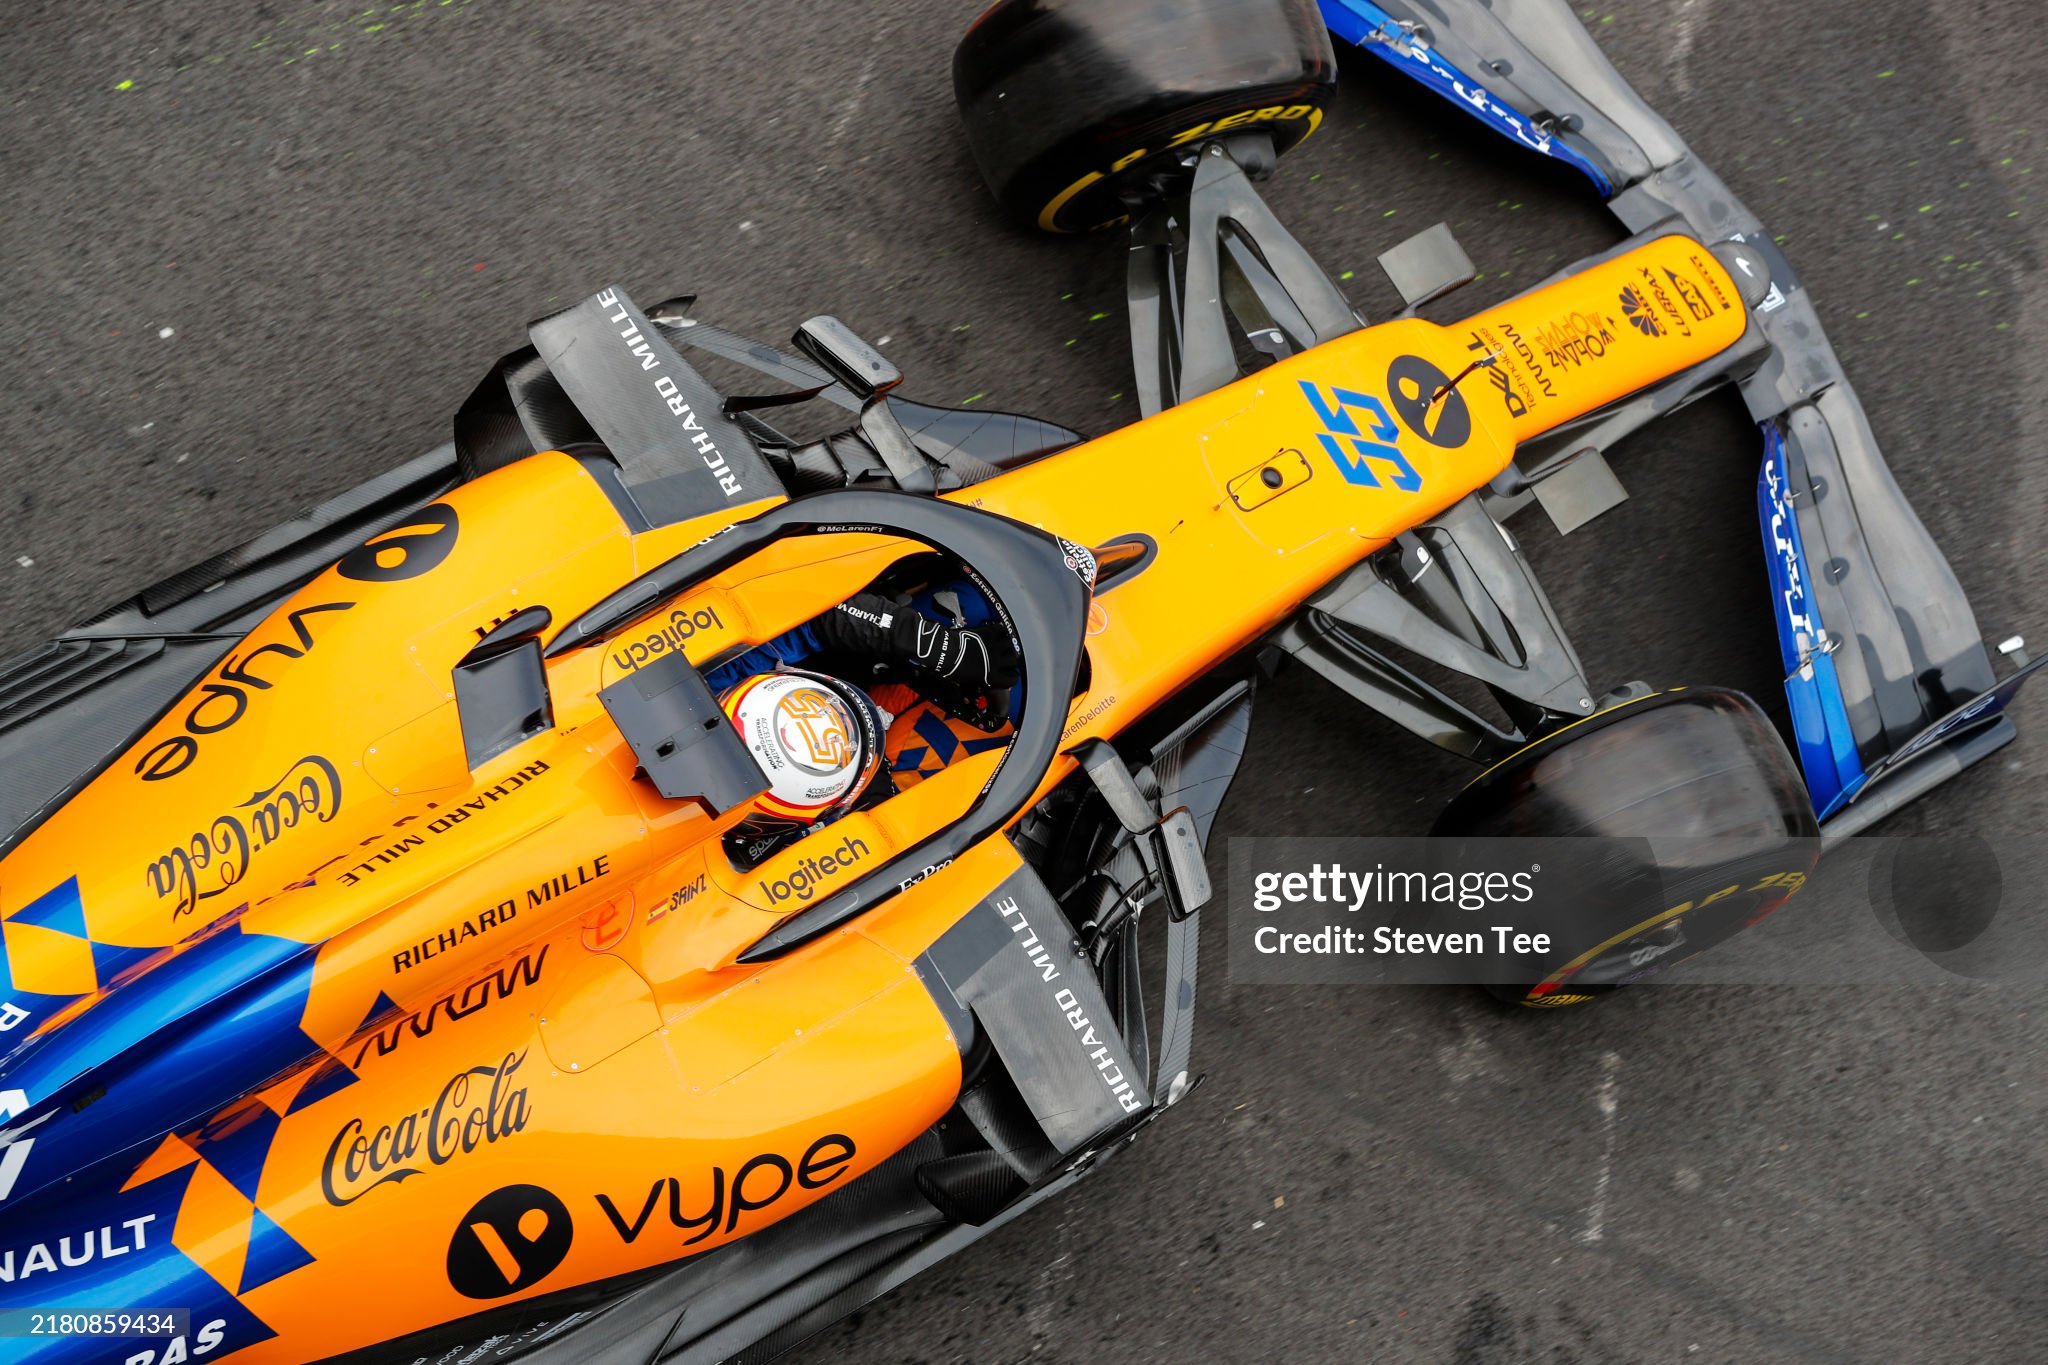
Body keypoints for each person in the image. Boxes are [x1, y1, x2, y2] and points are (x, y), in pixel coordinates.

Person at [712, 572, 1019, 866]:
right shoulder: (783, 853)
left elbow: (810, 609)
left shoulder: (710, 679)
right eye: (844, 741)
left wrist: (937, 647)